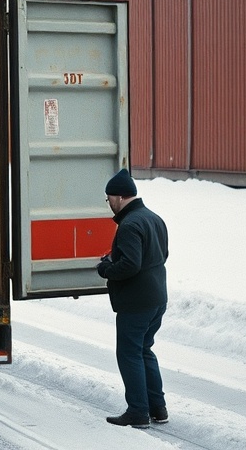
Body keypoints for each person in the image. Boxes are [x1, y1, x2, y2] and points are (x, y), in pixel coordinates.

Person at [97, 168, 169, 428]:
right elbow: (161, 254)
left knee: (129, 354)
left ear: (117, 197)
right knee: (143, 350)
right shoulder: (153, 218)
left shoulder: (129, 225)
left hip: (136, 303)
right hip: (157, 298)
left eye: (109, 200)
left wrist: (105, 268)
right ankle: (158, 409)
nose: (109, 205)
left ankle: (138, 412)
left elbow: (130, 265)